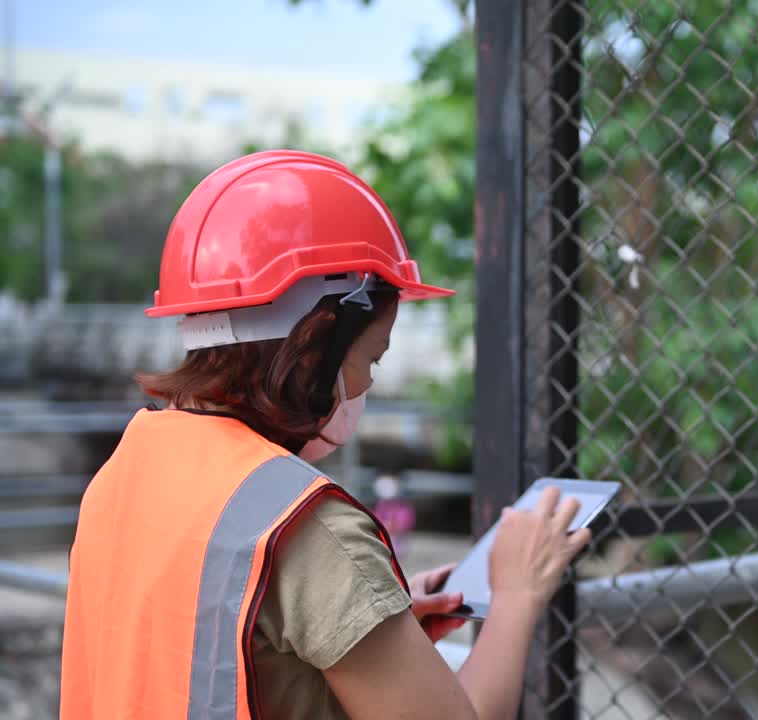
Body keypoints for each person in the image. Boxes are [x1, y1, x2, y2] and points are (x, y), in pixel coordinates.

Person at [59, 150, 592, 720]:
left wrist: (368, 619)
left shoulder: (126, 470)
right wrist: (516, 594)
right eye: (371, 358)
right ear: (316, 346)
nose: (368, 384)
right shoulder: (304, 527)